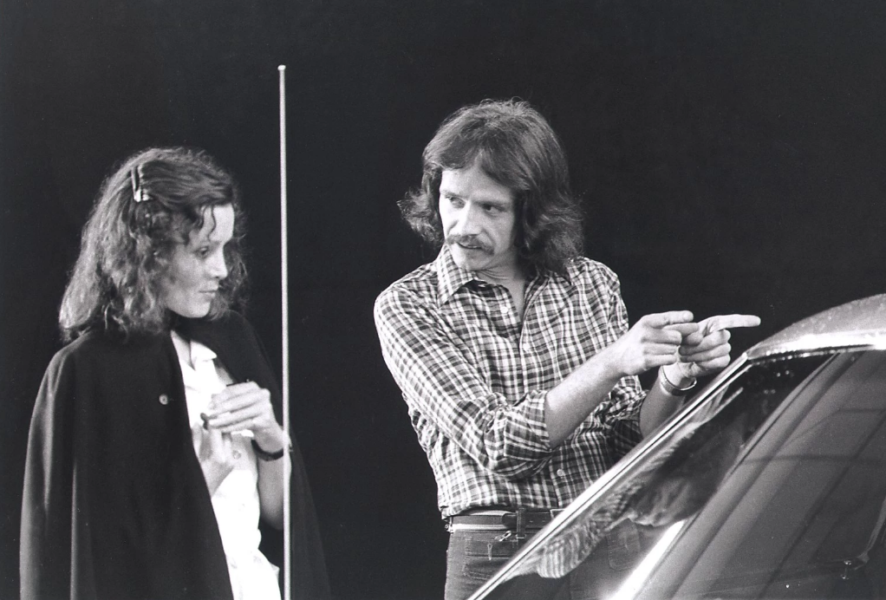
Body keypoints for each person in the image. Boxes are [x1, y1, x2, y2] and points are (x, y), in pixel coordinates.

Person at [373, 99, 759, 600]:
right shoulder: (409, 305)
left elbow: (627, 442)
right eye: (452, 199)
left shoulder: (591, 283)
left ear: (531, 211)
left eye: (490, 207)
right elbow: (497, 444)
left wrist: (673, 377)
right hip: (498, 553)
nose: (464, 225)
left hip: (610, 541)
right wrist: (612, 362)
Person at [20, 147, 330, 600]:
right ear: (148, 252)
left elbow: (282, 520)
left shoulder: (232, 339)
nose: (221, 270)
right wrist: (201, 478)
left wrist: (270, 439)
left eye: (225, 248)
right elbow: (97, 565)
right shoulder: (85, 372)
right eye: (203, 251)